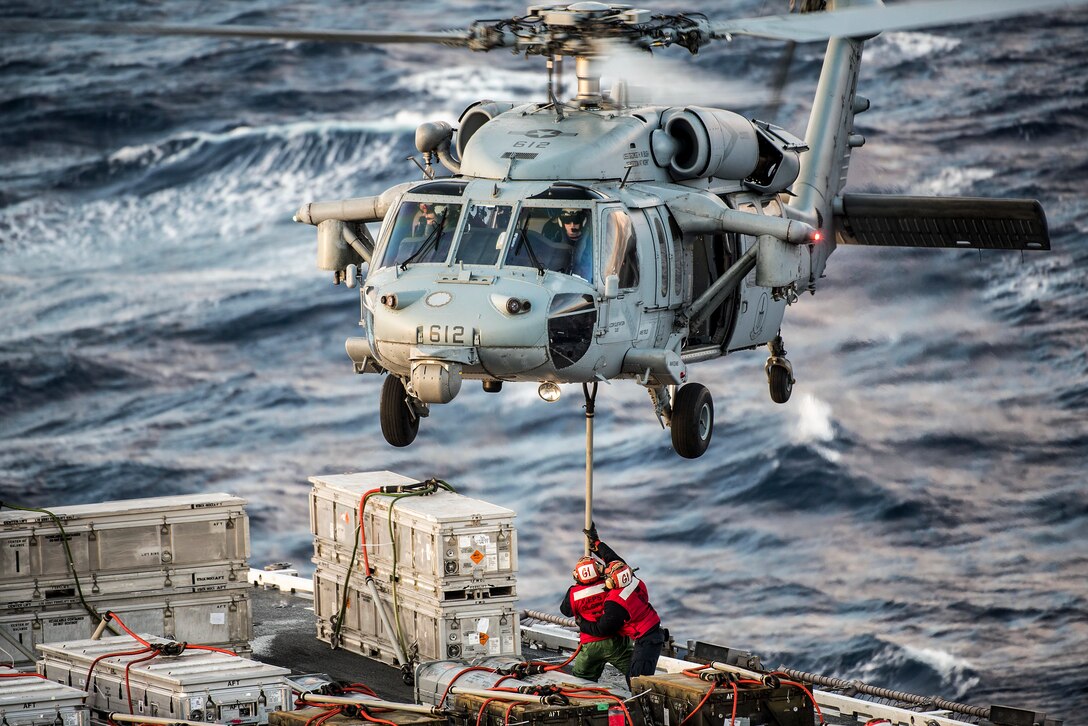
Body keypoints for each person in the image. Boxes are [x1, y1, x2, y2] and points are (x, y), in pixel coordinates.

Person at [576, 524, 665, 681]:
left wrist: (582, 624)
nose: (603, 573)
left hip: (646, 639)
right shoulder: (632, 579)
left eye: (606, 575)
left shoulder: (615, 603)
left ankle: (638, 705)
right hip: (653, 629)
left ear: (611, 583)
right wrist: (596, 543)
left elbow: (602, 629)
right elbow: (613, 559)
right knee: (635, 675)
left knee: (637, 680)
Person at [559, 554, 633, 681]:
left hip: (590, 645)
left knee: (581, 679)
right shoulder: (610, 586)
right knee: (635, 674)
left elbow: (566, 611)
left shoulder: (573, 593)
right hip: (616, 642)